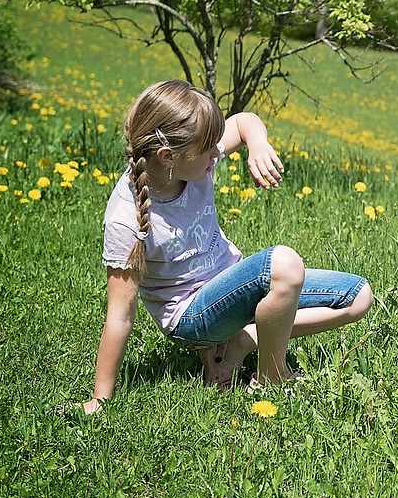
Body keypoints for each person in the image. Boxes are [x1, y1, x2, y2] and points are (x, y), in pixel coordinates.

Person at [81, 80, 373, 414]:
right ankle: (270, 379)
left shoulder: (190, 161)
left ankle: (244, 340)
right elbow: (119, 315)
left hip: (229, 286)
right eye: (208, 150)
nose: (217, 154)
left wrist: (258, 144)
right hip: (193, 318)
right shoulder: (126, 218)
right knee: (284, 264)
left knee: (358, 297)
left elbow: (242, 121)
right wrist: (99, 399)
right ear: (168, 156)